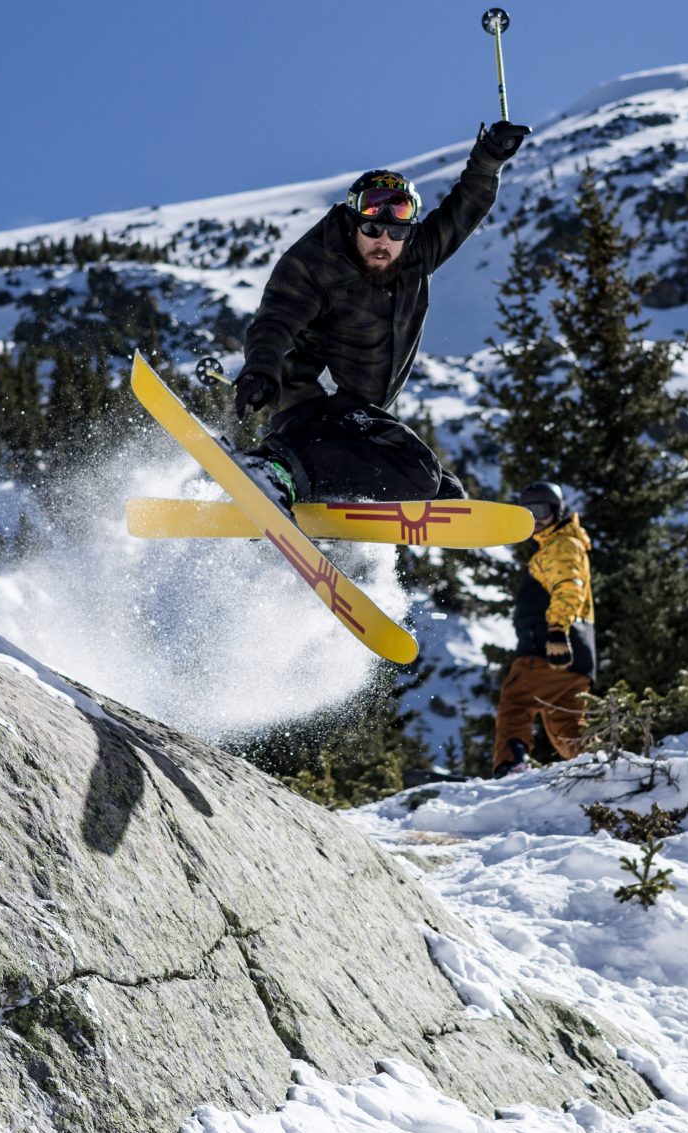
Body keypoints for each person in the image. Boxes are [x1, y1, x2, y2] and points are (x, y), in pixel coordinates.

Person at [231, 119, 532, 508]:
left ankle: (317, 501)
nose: (384, 243)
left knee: (444, 496)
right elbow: (275, 322)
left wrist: (489, 160)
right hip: (308, 406)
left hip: (357, 411)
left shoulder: (416, 254)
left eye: (397, 233)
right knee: (419, 475)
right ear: (354, 222)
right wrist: (261, 370)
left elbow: (466, 206)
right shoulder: (315, 262)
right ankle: (275, 470)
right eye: (373, 229)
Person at [492, 481, 596, 778]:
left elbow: (568, 588)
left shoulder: (561, 545)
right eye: (528, 512)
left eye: (541, 510)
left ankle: (511, 764)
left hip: (548, 647)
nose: (535, 519)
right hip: (580, 655)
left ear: (557, 511)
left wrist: (556, 632)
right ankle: (603, 764)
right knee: (568, 726)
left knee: (516, 702)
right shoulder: (564, 543)